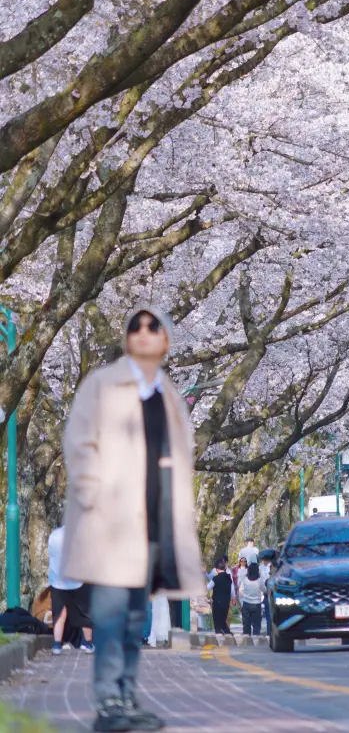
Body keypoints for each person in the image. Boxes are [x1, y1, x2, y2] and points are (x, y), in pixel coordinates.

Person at [62, 305, 203, 733]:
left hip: (154, 524)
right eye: (135, 326)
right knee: (109, 615)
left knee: (134, 618)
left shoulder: (170, 394)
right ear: (126, 338)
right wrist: (95, 498)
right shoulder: (102, 385)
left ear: (166, 340)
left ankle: (125, 694)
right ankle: (108, 703)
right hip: (111, 525)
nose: (143, 332)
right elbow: (78, 443)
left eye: (153, 326)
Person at [48, 526, 93, 654]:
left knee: (59, 614)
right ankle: (88, 643)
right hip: (78, 580)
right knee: (84, 613)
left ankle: (57, 645)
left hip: (57, 580)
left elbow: (51, 554)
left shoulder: (54, 535)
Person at [239, 562, 265, 636]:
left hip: (246, 603)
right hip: (256, 604)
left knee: (246, 624)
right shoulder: (259, 580)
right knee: (256, 624)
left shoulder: (245, 579)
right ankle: (256, 639)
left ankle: (247, 639)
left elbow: (240, 590)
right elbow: (264, 590)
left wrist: (246, 596)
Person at [209, 559, 234, 634]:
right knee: (223, 620)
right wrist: (234, 596)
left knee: (217, 621)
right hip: (226, 601)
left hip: (217, 602)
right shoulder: (229, 578)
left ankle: (220, 636)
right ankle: (228, 634)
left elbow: (208, 587)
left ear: (216, 569)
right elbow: (232, 588)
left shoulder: (215, 579)